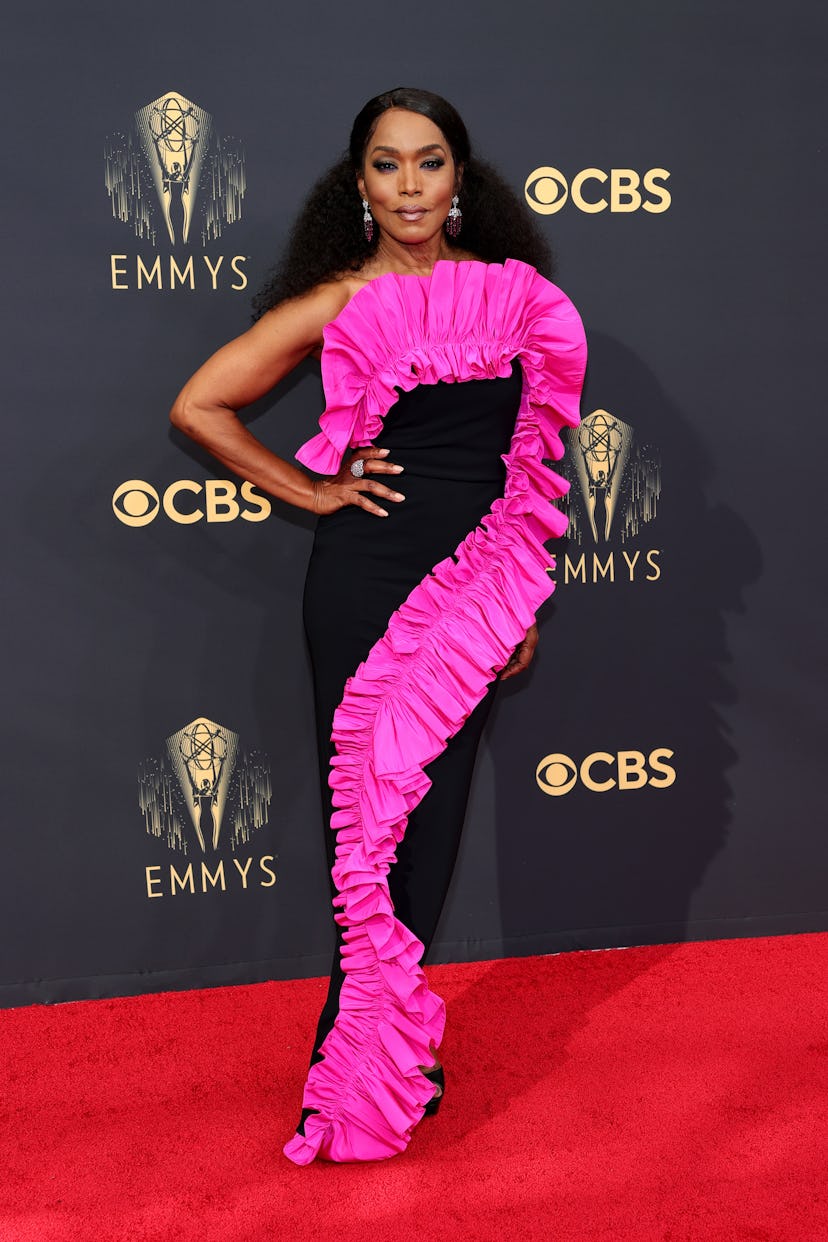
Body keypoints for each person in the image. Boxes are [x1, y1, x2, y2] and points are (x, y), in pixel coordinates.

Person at [169, 86, 587, 1166]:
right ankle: (348, 1077)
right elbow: (201, 404)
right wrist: (309, 491)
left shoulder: (517, 300)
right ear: (358, 186)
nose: (410, 186)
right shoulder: (338, 302)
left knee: (432, 832)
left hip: (474, 590)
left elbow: (529, 462)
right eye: (388, 165)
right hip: (366, 590)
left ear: (462, 180)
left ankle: (384, 1049)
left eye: (430, 162)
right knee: (372, 834)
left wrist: (513, 599)